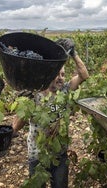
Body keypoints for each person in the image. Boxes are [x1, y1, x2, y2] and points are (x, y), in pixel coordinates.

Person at [12, 38, 89, 187]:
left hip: (59, 154)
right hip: (37, 154)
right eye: (56, 74)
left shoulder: (66, 91)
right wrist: (24, 107)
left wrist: (73, 54)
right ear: (47, 74)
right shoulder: (34, 95)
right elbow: (16, 126)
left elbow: (83, 75)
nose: (60, 78)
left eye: (63, 75)